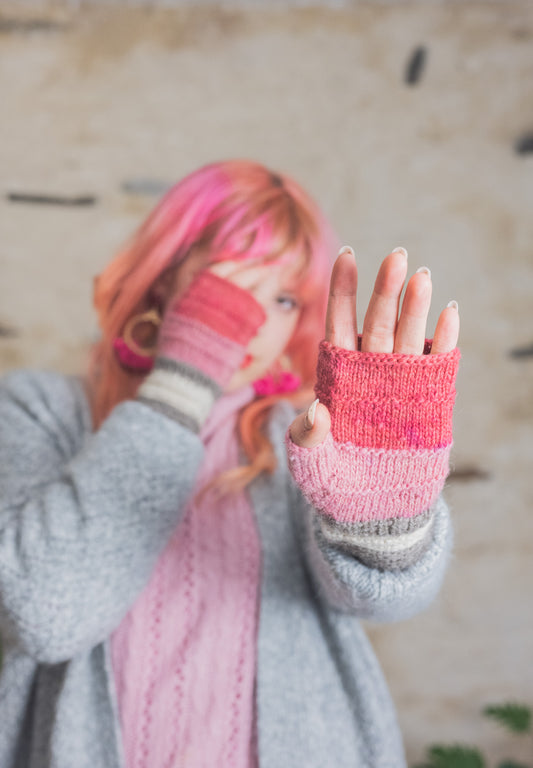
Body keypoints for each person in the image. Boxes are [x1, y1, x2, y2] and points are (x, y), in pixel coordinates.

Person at [0, 159, 460, 768]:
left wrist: (384, 522)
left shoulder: (304, 432)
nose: (252, 322)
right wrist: (185, 380)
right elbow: (44, 614)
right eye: (230, 283)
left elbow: (385, 601)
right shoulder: (37, 410)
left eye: (284, 297)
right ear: (163, 278)